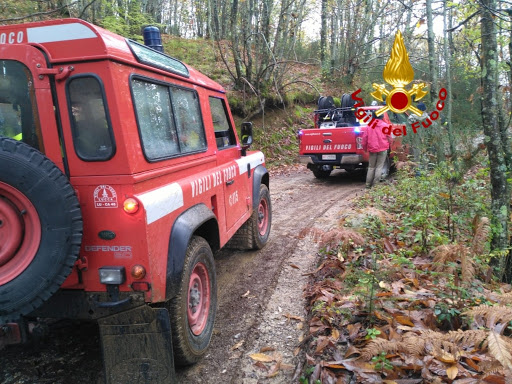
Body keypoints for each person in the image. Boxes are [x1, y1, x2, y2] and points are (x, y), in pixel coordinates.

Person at [362, 111, 392, 189]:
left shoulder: (369, 126)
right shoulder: (386, 126)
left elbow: (364, 139)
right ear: (382, 116)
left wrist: (365, 148)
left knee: (371, 167)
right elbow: (389, 137)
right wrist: (389, 146)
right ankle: (376, 185)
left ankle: (368, 185)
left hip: (372, 149)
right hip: (383, 149)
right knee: (379, 167)